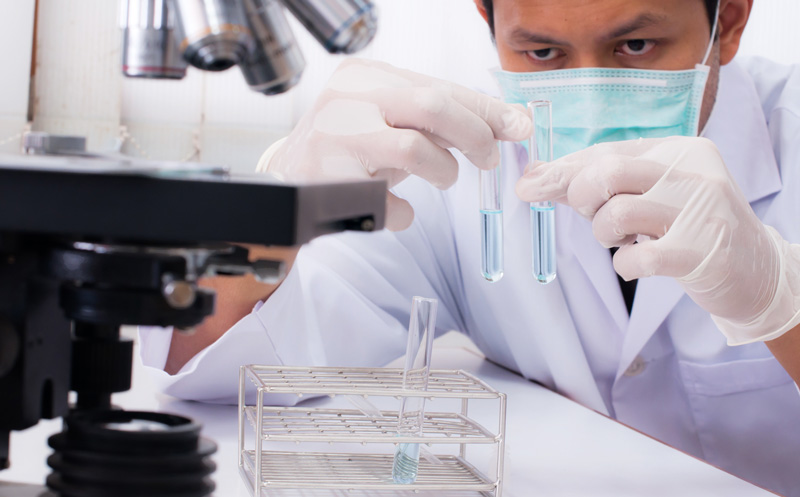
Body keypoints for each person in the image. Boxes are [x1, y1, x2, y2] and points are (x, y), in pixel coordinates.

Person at [139, 0, 800, 494]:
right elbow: (205, 357)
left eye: (636, 45)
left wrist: (778, 298)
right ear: (488, 21)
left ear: (732, 20)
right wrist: (278, 205)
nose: (590, 93)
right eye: (541, 55)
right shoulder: (463, 163)